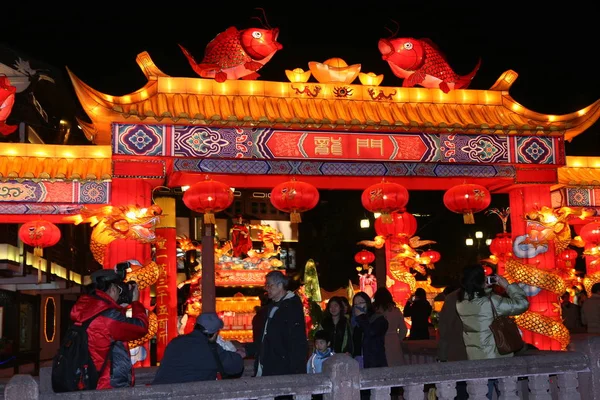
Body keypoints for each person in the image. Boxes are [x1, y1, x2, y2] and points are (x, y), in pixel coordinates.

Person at [456, 265, 529, 399]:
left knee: (482, 395)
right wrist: (507, 286)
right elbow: (522, 304)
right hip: (497, 356)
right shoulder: (491, 301)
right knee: (508, 393)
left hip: (475, 357)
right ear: (481, 281)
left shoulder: (461, 303)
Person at [69, 268, 149, 389]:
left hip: (89, 380)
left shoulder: (86, 308)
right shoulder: (108, 317)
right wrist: (136, 303)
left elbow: (111, 328)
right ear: (112, 288)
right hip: (108, 384)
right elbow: (141, 327)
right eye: (118, 289)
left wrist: (118, 308)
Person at [152, 312, 245, 384]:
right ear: (214, 335)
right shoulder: (209, 348)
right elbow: (235, 367)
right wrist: (238, 355)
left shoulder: (175, 342)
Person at [250, 270, 308, 377]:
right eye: (266, 285)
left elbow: (296, 340)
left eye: (269, 285)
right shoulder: (273, 306)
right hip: (270, 365)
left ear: (280, 285)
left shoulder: (291, 306)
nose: (266, 288)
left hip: (283, 368)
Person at [351, 292, 388, 369]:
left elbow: (370, 332)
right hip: (358, 361)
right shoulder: (354, 322)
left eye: (361, 302)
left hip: (374, 362)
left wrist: (361, 317)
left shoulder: (378, 319)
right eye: (355, 304)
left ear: (367, 303)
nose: (358, 306)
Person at [372, 287, 407, 367]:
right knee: (396, 364)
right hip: (394, 341)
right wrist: (399, 338)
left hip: (380, 340)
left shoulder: (376, 311)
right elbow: (403, 329)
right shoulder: (396, 311)